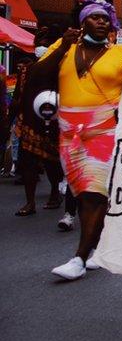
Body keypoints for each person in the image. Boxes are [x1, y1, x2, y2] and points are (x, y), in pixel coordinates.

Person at [48, 0, 122, 281]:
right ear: (83, 21)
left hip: (105, 132)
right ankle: (99, 247)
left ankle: (79, 258)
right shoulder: (65, 49)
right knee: (83, 194)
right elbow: (37, 76)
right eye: (95, 17)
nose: (101, 22)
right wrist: (60, 46)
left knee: (94, 194)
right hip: (68, 134)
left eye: (106, 19)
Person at [12, 43, 64, 216]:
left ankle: (55, 193)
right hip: (29, 122)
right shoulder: (27, 71)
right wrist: (11, 118)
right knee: (28, 163)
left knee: (52, 163)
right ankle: (30, 202)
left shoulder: (61, 70)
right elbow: (18, 97)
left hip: (53, 122)